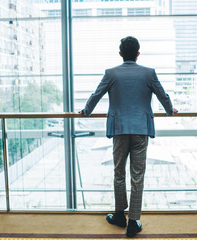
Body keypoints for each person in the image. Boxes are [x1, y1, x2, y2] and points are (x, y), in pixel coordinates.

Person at [79, 36, 177, 238]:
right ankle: (133, 222)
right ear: (138, 54)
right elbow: (162, 95)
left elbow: (96, 95)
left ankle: (119, 215)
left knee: (118, 173)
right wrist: (170, 111)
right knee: (137, 176)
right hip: (140, 129)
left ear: (120, 53)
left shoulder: (111, 73)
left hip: (119, 129)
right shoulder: (149, 73)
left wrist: (86, 111)